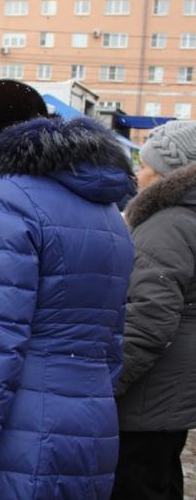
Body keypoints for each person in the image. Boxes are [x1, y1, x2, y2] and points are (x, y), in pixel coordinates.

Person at [0, 80, 136, 499]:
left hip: (22, 436)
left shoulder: (5, 199)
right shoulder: (106, 209)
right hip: (91, 428)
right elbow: (111, 346)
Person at [111, 121, 196, 500]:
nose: (137, 173)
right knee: (160, 476)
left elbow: (149, 319)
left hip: (150, 393)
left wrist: (110, 382)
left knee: (140, 481)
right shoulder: (182, 219)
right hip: (170, 390)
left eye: (144, 165)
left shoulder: (168, 224)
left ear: (167, 174)